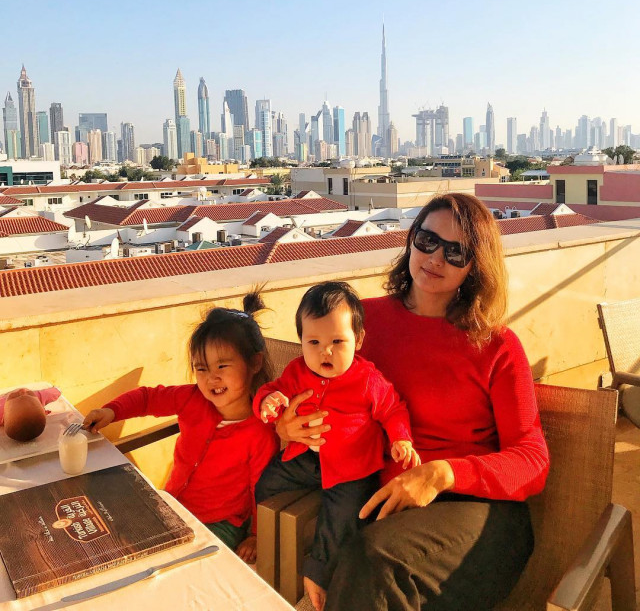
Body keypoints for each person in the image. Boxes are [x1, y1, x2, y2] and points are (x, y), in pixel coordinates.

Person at [274, 194, 550, 611]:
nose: (435, 258)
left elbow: (532, 460)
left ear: (476, 265)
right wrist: (287, 425)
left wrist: (442, 473)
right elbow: (305, 386)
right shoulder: (357, 326)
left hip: (474, 511)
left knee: (374, 559)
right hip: (382, 506)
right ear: (411, 239)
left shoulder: (496, 346)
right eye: (428, 240)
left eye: (456, 251)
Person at [254, 281, 419, 611]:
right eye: (313, 342)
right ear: (302, 340)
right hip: (307, 458)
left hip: (352, 468)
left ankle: (319, 573)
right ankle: (261, 537)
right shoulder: (297, 371)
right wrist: (268, 401)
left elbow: (393, 409)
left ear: (358, 340)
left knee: (342, 517)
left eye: (337, 342)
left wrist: (401, 438)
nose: (324, 352)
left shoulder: (367, 379)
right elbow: (274, 390)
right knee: (266, 483)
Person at [82, 292, 279, 563]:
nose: (212, 378)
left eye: (222, 365)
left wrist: (256, 535)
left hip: (220, 523)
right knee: (109, 538)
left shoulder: (260, 432)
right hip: (170, 505)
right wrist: (111, 411)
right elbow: (148, 398)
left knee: (180, 564)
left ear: (254, 363)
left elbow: (262, 488)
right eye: (202, 368)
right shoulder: (191, 398)